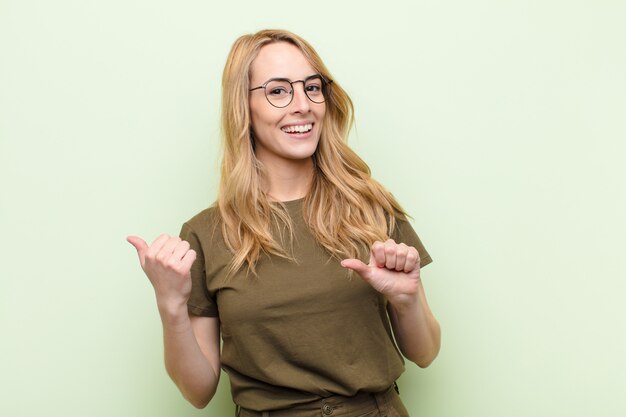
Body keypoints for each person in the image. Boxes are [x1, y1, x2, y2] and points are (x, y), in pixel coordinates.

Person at [127, 29, 440, 417]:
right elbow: (198, 392)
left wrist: (406, 300)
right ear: (243, 105)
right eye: (278, 91)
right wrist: (170, 305)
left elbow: (425, 353)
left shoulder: (372, 209)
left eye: (312, 87)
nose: (303, 105)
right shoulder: (205, 234)